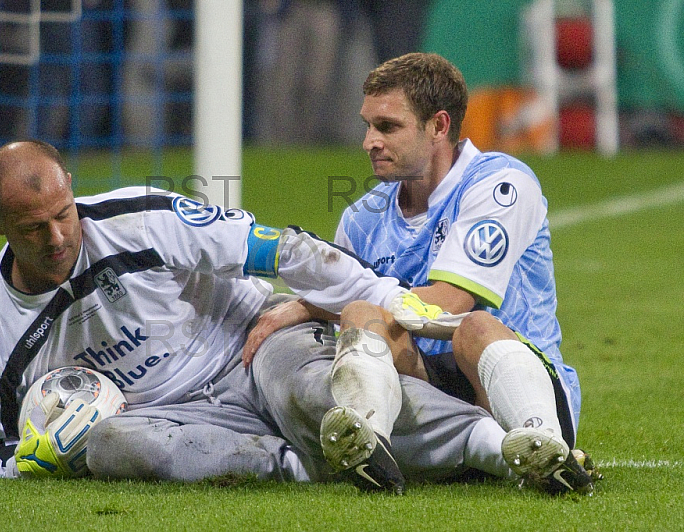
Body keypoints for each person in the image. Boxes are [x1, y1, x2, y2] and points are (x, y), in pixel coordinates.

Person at [0, 140, 513, 489]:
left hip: (251, 345)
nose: (57, 238)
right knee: (111, 446)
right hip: (177, 419)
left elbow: (278, 249)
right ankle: (305, 466)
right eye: (34, 228)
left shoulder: (141, 220)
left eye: (63, 215)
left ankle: (499, 449)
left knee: (323, 391)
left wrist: (385, 296)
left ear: (72, 192)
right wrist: (38, 457)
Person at [244, 52, 596, 495]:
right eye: (367, 125)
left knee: (473, 326)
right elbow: (356, 307)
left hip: (511, 383)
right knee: (358, 314)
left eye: (387, 127)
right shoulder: (361, 217)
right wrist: (308, 307)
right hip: (434, 395)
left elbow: (450, 301)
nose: (369, 141)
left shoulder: (501, 184)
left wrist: (310, 302)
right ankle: (368, 447)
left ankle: (545, 443)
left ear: (439, 126)